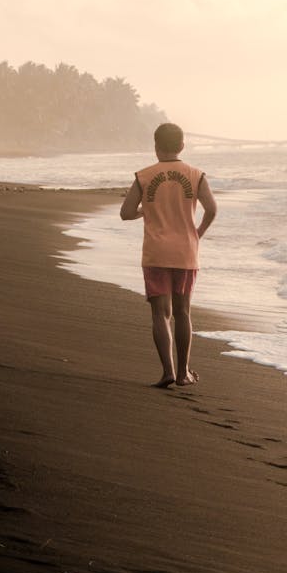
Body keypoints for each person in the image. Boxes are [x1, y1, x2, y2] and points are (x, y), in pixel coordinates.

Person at [120, 122, 217, 388]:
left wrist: (146, 210)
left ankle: (168, 372)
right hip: (185, 251)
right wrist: (197, 233)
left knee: (161, 314)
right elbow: (212, 209)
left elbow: (126, 213)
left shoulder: (144, 176)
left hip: (156, 252)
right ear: (182, 146)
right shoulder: (196, 175)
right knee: (183, 312)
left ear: (156, 147)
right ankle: (184, 372)